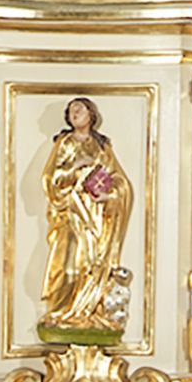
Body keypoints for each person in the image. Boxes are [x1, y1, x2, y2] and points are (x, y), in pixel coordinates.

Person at [38, 97, 134, 337]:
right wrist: (76, 168)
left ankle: (88, 311)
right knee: (68, 263)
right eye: (71, 110)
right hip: (71, 212)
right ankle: (62, 312)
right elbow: (50, 179)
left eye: (79, 109)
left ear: (91, 114)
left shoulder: (102, 147)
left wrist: (110, 196)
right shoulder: (65, 143)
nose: (74, 113)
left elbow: (120, 181)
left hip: (96, 215)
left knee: (92, 263)